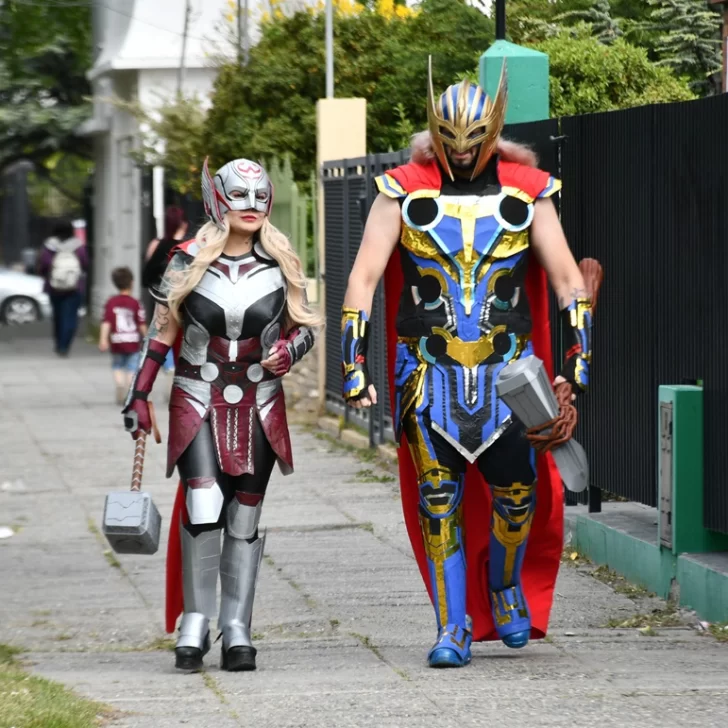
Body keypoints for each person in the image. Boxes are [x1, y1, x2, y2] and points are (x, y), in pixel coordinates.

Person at [341, 63, 594, 668]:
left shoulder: (529, 192)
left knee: (517, 496)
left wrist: (577, 360)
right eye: (450, 141)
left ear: (493, 131)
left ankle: (505, 589)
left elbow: (565, 281)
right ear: (435, 132)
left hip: (511, 375)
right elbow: (364, 277)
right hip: (428, 374)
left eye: (473, 141)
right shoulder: (401, 190)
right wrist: (352, 364)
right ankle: (451, 624)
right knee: (438, 499)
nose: (460, 154)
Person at [122, 157, 321, 672]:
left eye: (259, 197)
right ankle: (196, 619)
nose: (250, 207)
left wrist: (289, 352)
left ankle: (237, 627)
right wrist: (139, 396)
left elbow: (306, 328)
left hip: (260, 401)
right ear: (218, 199)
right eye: (239, 196)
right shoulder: (185, 261)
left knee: (245, 514)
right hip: (196, 398)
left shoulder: (281, 261)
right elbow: (162, 332)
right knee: (204, 502)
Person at [142, 206, 190, 375]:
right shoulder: (189, 249)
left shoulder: (157, 245)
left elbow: (147, 275)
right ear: (183, 224)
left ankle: (166, 364)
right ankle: (173, 368)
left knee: (161, 334)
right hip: (184, 303)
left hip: (159, 298)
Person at [38, 220, 88, 356]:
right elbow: (84, 263)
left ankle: (59, 343)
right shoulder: (78, 246)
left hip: (54, 286)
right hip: (74, 286)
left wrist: (46, 275)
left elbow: (44, 265)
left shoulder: (49, 246)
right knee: (70, 316)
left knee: (58, 316)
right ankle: (65, 346)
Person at [99, 267, 148, 405]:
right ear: (132, 283)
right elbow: (141, 324)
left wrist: (103, 339)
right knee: (132, 367)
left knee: (117, 365)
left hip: (116, 341)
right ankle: (128, 389)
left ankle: (119, 384)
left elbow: (106, 322)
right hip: (132, 341)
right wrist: (147, 338)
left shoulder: (111, 302)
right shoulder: (136, 303)